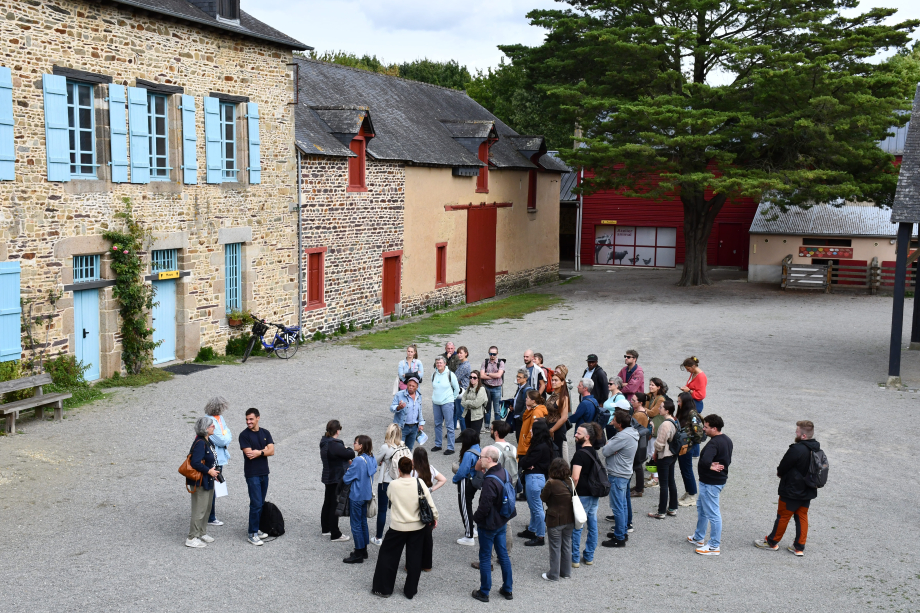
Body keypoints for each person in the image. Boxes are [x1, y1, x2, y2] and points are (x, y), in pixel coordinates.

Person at [371, 456, 438, 599]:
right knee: (415, 558)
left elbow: (391, 498)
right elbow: (430, 502)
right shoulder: (419, 482)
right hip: (417, 526)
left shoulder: (393, 485)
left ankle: (384, 588)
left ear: (399, 469)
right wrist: (435, 517)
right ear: (412, 468)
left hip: (398, 526)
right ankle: (410, 590)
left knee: (388, 556)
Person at [754, 420, 822, 557]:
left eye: (797, 431)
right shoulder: (817, 449)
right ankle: (799, 547)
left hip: (792, 490)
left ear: (803, 435)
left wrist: (780, 473)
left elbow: (783, 466)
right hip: (808, 490)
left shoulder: (796, 449)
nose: (795, 433)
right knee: (802, 516)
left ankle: (772, 542)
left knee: (783, 516)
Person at [470, 420, 517, 570]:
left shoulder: (492, 449)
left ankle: (487, 559)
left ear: (496, 432)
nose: (490, 431)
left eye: (491, 429)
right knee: (506, 521)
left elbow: (479, 466)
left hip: (494, 486)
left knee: (490, 523)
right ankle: (505, 555)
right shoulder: (512, 447)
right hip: (508, 486)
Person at [471, 446, 515, 603]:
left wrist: (476, 518)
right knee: (503, 555)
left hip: (489, 524)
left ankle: (484, 592)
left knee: (484, 557)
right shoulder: (505, 472)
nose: (479, 460)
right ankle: (507, 589)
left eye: (481, 457)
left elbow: (485, 506)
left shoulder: (489, 480)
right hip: (502, 521)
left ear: (489, 459)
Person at [689, 414, 732, 555]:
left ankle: (714, 546)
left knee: (713, 514)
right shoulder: (727, 440)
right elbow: (727, 460)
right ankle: (698, 537)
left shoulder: (714, 443)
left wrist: (709, 466)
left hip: (710, 483)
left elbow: (705, 460)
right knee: (702, 509)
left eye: (706, 427)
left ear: (714, 428)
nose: (704, 429)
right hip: (716, 481)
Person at [601, 410, 638, 547]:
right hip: (624, 473)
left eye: (614, 420)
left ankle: (619, 537)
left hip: (618, 474)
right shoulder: (630, 433)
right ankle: (622, 530)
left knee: (618, 507)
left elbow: (605, 451)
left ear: (620, 424)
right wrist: (611, 447)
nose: (612, 422)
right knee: (622, 504)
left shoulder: (622, 437)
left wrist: (610, 446)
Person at [239, 408, 274, 546]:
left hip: (264, 473)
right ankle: (252, 533)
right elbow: (249, 454)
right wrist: (264, 450)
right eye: (247, 419)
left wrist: (259, 452)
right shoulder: (244, 435)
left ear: (258, 418)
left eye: (251, 419)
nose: (248, 422)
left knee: (261, 502)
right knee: (256, 503)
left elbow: (272, 451)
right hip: (252, 474)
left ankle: (256, 529)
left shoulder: (265, 433)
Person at [411, 446, 447, 572]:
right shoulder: (430, 469)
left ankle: (412, 564)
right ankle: (427, 565)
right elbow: (443, 479)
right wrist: (431, 489)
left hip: (414, 504)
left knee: (413, 537)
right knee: (427, 537)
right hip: (427, 505)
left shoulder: (413, 471)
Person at [185, 416, 219, 548]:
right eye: (211, 425)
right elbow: (195, 463)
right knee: (199, 509)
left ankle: (202, 532)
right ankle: (191, 537)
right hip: (200, 481)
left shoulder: (208, 441)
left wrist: (215, 472)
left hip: (208, 480)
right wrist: (209, 471)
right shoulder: (200, 443)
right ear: (205, 428)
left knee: (206, 508)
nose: (214, 427)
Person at [570, 424, 601, 567]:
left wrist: (571, 492)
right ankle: (589, 556)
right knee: (592, 525)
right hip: (594, 493)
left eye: (578, 433)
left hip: (582, 494)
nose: (575, 435)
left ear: (587, 437)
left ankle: (575, 558)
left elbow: (575, 477)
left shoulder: (580, 454)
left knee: (577, 526)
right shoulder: (594, 452)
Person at [342, 434, 376, 563]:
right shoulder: (371, 458)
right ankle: (364, 550)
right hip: (366, 494)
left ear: (361, 446)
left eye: (356, 442)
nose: (354, 444)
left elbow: (346, 478)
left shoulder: (358, 461)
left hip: (356, 495)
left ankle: (358, 553)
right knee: (363, 522)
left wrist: (349, 468)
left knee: (355, 524)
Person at [320, 419, 355, 542]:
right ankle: (335, 533)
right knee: (334, 504)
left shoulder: (324, 441)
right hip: (336, 477)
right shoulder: (335, 444)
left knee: (327, 502)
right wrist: (347, 447)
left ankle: (326, 528)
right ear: (337, 431)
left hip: (328, 476)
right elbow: (351, 454)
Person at [519, 419, 553, 546]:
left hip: (534, 479)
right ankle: (532, 529)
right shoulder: (546, 444)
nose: (530, 431)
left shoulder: (538, 447)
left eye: (532, 429)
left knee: (537, 508)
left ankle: (540, 536)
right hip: (537, 478)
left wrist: (526, 463)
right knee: (534, 506)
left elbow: (524, 462)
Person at [540, 458, 575, 581]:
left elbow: (543, 497)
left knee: (555, 547)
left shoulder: (551, 483)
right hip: (569, 518)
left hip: (555, 520)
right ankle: (566, 572)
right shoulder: (570, 481)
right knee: (566, 545)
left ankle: (553, 574)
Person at [372, 424, 406, 546]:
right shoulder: (403, 446)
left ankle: (378, 537)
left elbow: (375, 461)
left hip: (386, 481)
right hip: (399, 481)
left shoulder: (386, 447)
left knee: (382, 510)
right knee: (399, 510)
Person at [648, 400, 679, 519]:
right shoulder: (674, 421)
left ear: (667, 410)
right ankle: (672, 508)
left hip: (664, 455)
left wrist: (655, 453)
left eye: (661, 407)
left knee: (664, 484)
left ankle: (661, 511)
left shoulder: (665, 424)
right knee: (671, 481)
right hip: (672, 454)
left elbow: (660, 444)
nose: (659, 409)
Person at [204, 396, 232, 527]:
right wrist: (226, 436)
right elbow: (222, 440)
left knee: (215, 486)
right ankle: (210, 516)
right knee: (212, 487)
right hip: (213, 458)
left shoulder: (220, 418)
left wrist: (225, 436)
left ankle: (210, 515)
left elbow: (228, 433)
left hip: (220, 458)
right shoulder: (209, 421)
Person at [452, 428, 482, 546]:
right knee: (468, 505)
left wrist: (455, 479)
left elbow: (462, 471)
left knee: (464, 507)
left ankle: (469, 536)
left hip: (466, 482)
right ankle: (472, 528)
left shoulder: (468, 453)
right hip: (474, 481)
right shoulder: (477, 448)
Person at [676, 392, 703, 507]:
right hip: (682, 445)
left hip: (687, 446)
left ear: (685, 402)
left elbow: (698, 431)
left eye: (680, 401)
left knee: (687, 470)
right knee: (683, 469)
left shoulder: (692, 414)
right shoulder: (683, 412)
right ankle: (688, 491)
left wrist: (692, 443)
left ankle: (692, 495)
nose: (678, 403)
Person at [431, 356, 461, 454]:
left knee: (449, 425)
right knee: (437, 424)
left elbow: (456, 389)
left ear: (445, 364)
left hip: (447, 403)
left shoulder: (450, 374)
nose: (439, 364)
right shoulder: (434, 374)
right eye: (437, 363)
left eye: (440, 362)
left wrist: (452, 399)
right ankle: (438, 444)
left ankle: (450, 447)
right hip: (436, 403)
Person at [390, 373, 425, 450]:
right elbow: (392, 408)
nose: (411, 387)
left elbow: (419, 410)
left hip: (414, 427)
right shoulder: (399, 395)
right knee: (398, 449)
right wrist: (398, 407)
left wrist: (421, 423)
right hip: (402, 427)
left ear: (417, 387)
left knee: (409, 449)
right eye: (409, 385)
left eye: (413, 386)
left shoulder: (419, 396)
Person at [645, 378, 670, 487]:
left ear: (659, 387)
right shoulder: (650, 396)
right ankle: (653, 475)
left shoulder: (660, 399)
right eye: (650, 384)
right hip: (650, 426)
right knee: (649, 450)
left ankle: (655, 478)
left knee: (653, 451)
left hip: (656, 428)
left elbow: (652, 413)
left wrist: (642, 408)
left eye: (653, 385)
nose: (650, 386)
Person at [546, 369, 571, 460]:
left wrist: (552, 430)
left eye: (556, 380)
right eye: (552, 380)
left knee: (557, 454)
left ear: (562, 382)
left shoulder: (563, 397)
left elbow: (564, 417)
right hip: (549, 426)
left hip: (557, 428)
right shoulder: (553, 395)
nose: (553, 382)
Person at [517, 390, 548, 462]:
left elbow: (533, 430)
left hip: (527, 447)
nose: (526, 399)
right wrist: (527, 410)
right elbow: (524, 419)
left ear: (533, 401)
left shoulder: (536, 412)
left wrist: (526, 443)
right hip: (526, 445)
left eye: (528, 398)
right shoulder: (533, 409)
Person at [629, 393, 650, 498]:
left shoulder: (638, 415)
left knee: (637, 465)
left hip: (637, 441)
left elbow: (634, 429)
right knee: (638, 465)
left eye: (634, 400)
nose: (631, 401)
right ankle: (639, 487)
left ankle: (638, 489)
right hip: (640, 441)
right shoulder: (641, 411)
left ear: (640, 403)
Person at [480, 346, 506, 429]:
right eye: (491, 354)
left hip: (497, 388)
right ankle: (487, 426)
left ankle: (497, 426)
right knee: (487, 408)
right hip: (487, 388)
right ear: (488, 353)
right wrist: (493, 376)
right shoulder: (485, 362)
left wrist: (487, 374)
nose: (492, 355)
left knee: (497, 410)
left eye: (494, 354)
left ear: (497, 354)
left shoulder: (501, 363)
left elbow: (499, 375)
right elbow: (481, 376)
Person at [460, 369, 488, 434]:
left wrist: (467, 402)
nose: (472, 379)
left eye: (474, 378)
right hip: (467, 414)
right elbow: (462, 402)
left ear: (478, 379)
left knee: (475, 436)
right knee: (468, 435)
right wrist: (470, 403)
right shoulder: (469, 388)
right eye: (471, 377)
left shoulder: (481, 389)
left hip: (477, 416)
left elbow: (476, 404)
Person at [508, 368, 532, 442]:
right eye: (517, 376)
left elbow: (527, 405)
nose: (517, 378)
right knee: (518, 437)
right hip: (517, 416)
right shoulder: (520, 387)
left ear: (525, 378)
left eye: (520, 377)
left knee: (521, 439)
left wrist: (521, 417)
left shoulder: (527, 389)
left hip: (521, 418)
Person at [455, 346, 472, 431]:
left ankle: (464, 433)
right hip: (461, 390)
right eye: (458, 353)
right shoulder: (462, 364)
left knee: (461, 414)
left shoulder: (464, 366)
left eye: (461, 353)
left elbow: (455, 378)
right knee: (459, 413)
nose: (459, 355)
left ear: (466, 353)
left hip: (462, 392)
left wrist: (458, 381)